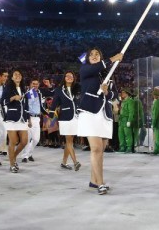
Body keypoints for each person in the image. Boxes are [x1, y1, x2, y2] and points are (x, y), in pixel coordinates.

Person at [76, 48, 123, 195]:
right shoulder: (85, 70)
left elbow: (115, 93)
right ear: (88, 58)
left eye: (97, 54)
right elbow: (97, 67)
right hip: (89, 112)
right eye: (92, 54)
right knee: (96, 149)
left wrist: (107, 92)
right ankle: (101, 183)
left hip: (104, 115)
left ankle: (93, 181)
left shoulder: (107, 75)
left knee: (100, 151)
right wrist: (112, 58)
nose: (94, 56)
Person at [50, 71, 81, 170]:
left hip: (75, 117)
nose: (69, 77)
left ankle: (64, 162)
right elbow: (54, 103)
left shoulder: (77, 88)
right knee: (69, 140)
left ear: (74, 78)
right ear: (64, 78)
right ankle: (75, 162)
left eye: (71, 76)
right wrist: (51, 114)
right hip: (64, 117)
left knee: (70, 140)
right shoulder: (59, 90)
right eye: (67, 76)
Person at [3, 70, 30, 173]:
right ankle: (12, 164)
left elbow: (26, 105)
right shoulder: (8, 88)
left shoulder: (24, 89)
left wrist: (28, 118)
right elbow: (3, 101)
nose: (18, 76)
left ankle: (13, 157)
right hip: (12, 118)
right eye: (15, 74)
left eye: (19, 74)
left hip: (23, 119)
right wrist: (13, 98)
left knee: (24, 141)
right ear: (12, 77)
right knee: (13, 141)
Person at [19, 78, 47, 163]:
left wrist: (48, 114)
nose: (35, 85)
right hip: (29, 118)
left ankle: (29, 153)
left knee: (36, 139)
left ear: (38, 85)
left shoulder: (39, 94)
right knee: (28, 138)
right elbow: (25, 108)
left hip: (37, 118)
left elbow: (41, 107)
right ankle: (25, 156)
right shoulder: (28, 94)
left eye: (36, 84)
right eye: (33, 84)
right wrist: (29, 119)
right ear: (30, 84)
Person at [118, 88, 137, 153]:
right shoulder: (123, 101)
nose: (122, 94)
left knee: (128, 134)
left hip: (126, 119)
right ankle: (122, 147)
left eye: (123, 93)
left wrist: (129, 120)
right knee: (121, 134)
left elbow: (131, 112)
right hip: (121, 120)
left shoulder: (130, 101)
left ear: (127, 94)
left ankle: (129, 147)